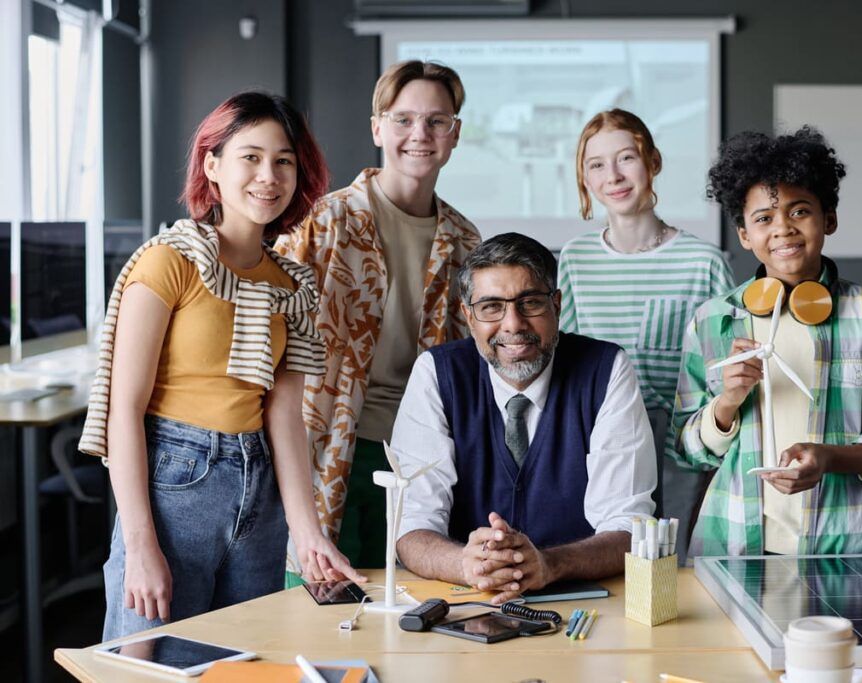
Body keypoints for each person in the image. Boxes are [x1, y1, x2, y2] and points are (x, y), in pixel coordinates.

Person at [80, 92, 364, 640]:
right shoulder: (170, 261)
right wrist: (140, 544)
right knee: (146, 664)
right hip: (175, 484)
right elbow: (124, 411)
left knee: (237, 662)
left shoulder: (291, 287)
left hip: (259, 491)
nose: (269, 175)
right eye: (250, 157)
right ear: (212, 165)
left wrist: (308, 535)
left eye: (284, 160)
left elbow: (284, 417)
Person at [674, 126, 862, 557]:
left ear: (828, 218)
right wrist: (726, 403)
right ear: (744, 235)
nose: (782, 229)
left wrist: (831, 458)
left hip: (847, 545)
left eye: (799, 212)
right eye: (763, 219)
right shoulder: (713, 320)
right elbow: (687, 449)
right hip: (735, 541)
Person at [276, 61, 480, 578]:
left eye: (437, 121)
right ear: (377, 127)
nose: (420, 135)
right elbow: (270, 340)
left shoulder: (465, 240)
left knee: (407, 612)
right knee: (318, 604)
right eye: (404, 119)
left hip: (420, 459)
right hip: (323, 451)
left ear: (454, 135)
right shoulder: (324, 222)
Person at [393, 233, 657, 604]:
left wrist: (548, 564)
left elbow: (630, 528)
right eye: (491, 307)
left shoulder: (606, 369)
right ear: (468, 316)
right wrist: (467, 564)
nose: (513, 324)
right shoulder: (437, 374)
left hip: (584, 605)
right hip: (465, 605)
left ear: (557, 305)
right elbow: (411, 528)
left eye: (529, 303)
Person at [558, 109, 733, 552]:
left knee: (675, 566)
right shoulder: (575, 259)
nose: (613, 175)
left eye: (626, 158)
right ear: (585, 178)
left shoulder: (703, 261)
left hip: (681, 445)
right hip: (601, 440)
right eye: (596, 164)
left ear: (652, 162)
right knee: (611, 558)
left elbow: (724, 369)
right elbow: (566, 360)